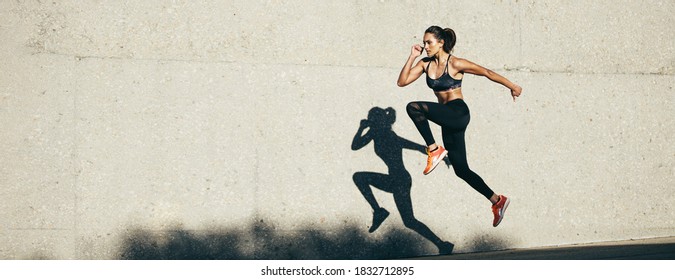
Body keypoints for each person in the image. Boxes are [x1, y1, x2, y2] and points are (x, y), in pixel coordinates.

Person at [396, 26, 522, 227]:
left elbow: (487, 72)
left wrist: (513, 87)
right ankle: (498, 201)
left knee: (414, 108)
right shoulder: (424, 64)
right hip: (446, 118)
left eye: (429, 42)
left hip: (458, 113)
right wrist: (412, 57)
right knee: (461, 169)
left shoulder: (455, 63)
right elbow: (402, 82)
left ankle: (434, 149)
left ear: (441, 42)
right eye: (424, 42)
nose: (425, 46)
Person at [352, 107, 454, 254]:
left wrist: (442, 157)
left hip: (398, 180)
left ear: (376, 121)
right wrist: (361, 128)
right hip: (398, 179)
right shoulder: (378, 134)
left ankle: (379, 211)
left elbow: (418, 147)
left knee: (359, 177)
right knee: (409, 221)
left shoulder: (385, 135)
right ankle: (442, 245)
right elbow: (355, 146)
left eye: (371, 119)